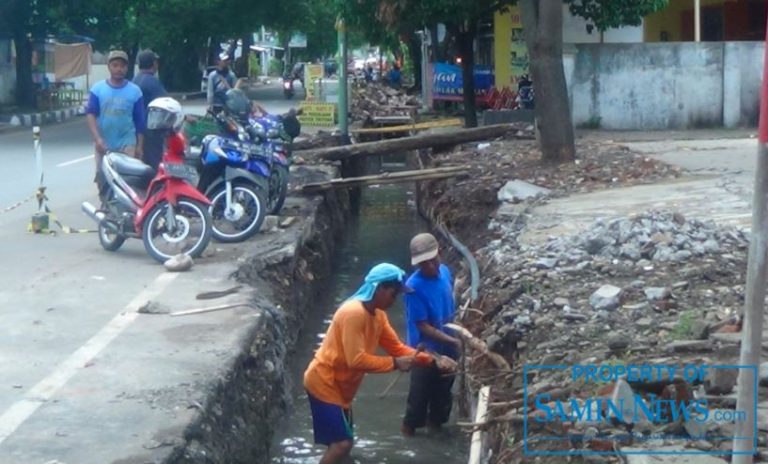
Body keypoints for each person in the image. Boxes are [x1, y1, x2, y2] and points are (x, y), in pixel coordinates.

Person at [303, 263, 443, 464]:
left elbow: (397, 348)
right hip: (324, 382)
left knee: (345, 444)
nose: (395, 299)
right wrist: (395, 363)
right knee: (342, 444)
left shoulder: (378, 315)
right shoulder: (353, 313)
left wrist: (433, 360)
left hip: (340, 387)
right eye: (393, 293)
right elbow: (356, 360)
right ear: (379, 289)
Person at [401, 232, 461, 437]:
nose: (429, 267)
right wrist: (453, 339)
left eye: (432, 261)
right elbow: (423, 326)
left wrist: (454, 337)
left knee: (442, 399)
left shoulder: (444, 273)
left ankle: (435, 435)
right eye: (423, 264)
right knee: (417, 402)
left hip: (448, 348)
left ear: (440, 254)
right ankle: (409, 440)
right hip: (425, 352)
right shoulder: (413, 287)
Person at [85, 50, 145, 198]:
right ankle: (106, 210)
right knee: (103, 178)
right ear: (109, 67)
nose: (119, 69)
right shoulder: (97, 89)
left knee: (127, 181)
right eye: (115, 65)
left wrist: (140, 146)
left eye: (122, 66)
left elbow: (140, 121)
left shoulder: (135, 91)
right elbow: (90, 114)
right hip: (104, 144)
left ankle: (126, 213)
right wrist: (97, 139)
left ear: (127, 67)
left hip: (127, 144)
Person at [132, 49, 168, 169]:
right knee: (154, 164)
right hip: (150, 131)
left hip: (135, 130)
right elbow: (167, 104)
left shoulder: (135, 80)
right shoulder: (152, 82)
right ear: (154, 64)